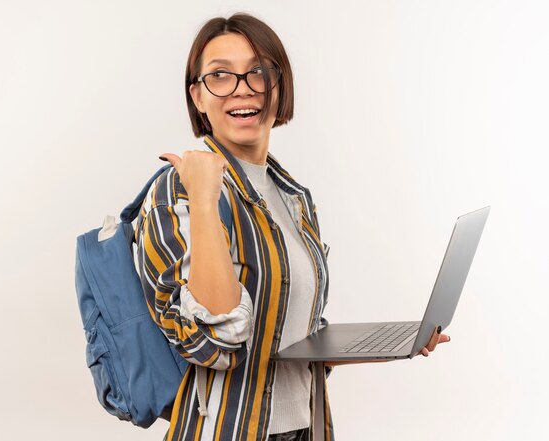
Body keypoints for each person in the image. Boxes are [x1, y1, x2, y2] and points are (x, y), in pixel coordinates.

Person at [135, 13, 450, 441]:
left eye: (258, 72)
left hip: (305, 428)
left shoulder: (292, 198)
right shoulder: (182, 189)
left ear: (278, 87)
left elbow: (296, 337)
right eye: (220, 75)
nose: (242, 88)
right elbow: (213, 343)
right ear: (197, 96)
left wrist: (392, 343)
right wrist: (206, 198)